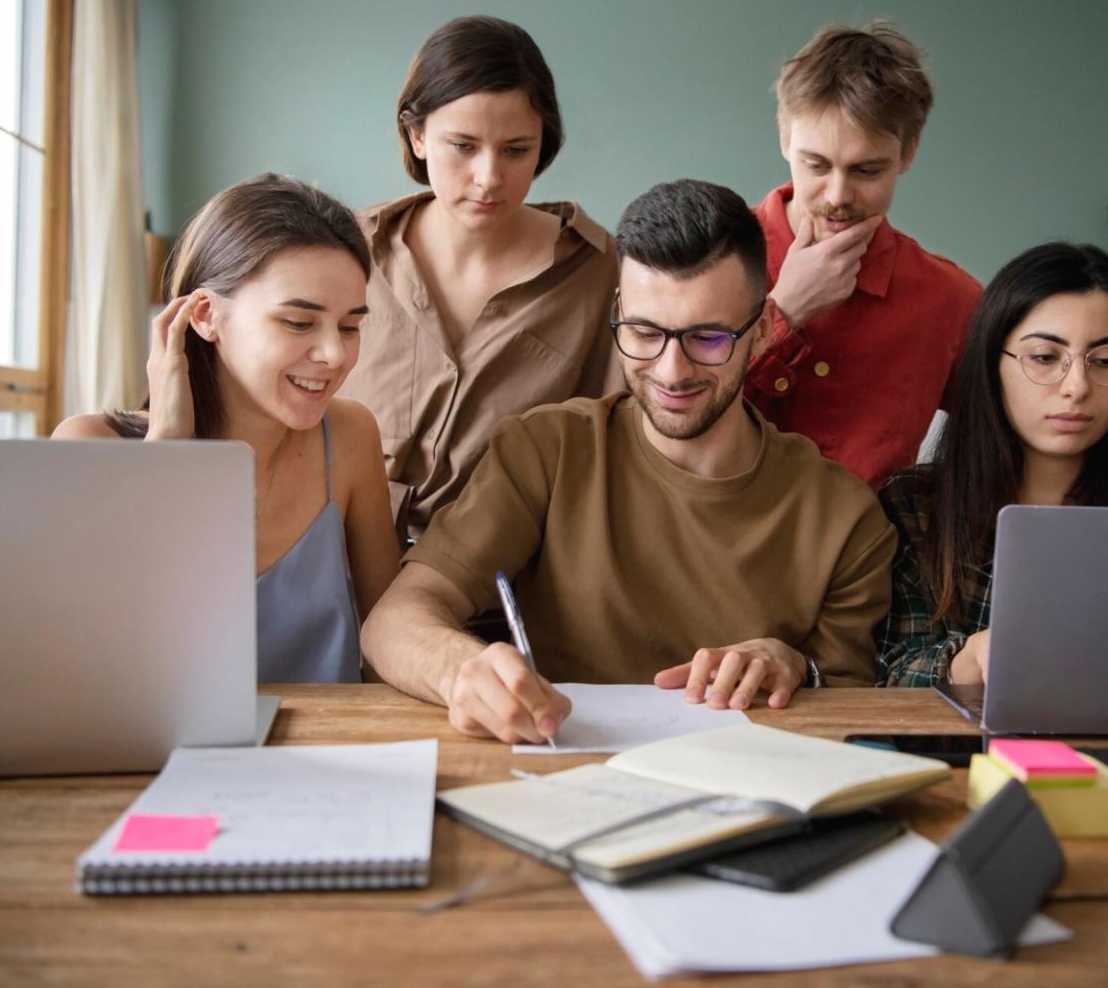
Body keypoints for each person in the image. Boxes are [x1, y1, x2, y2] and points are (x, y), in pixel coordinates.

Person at [360, 179, 895, 743]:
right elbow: (392, 622)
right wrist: (460, 672)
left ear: (761, 329)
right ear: (618, 313)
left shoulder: (845, 519)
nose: (671, 371)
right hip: (557, 775)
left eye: (708, 338)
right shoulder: (546, 450)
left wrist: (795, 667)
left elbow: (850, 707)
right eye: (643, 332)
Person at [53, 174, 400, 684]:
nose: (334, 355)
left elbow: (391, 634)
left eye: (350, 326)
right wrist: (168, 451)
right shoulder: (89, 447)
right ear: (205, 316)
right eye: (299, 323)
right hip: (153, 759)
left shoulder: (349, 436)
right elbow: (85, 668)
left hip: (329, 750)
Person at [875, 241, 1108, 687]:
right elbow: (887, 676)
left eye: (1105, 360)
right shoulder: (913, 505)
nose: (1077, 386)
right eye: (1044, 357)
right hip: (968, 754)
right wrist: (971, 659)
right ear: (990, 363)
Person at [338, 16, 621, 545]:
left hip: (501, 586)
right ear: (416, 135)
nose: (489, 178)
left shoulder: (599, 271)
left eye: (516, 150)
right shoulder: (346, 250)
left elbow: (620, 452)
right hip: (332, 564)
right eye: (463, 146)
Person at [746, 22, 983, 489]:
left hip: (874, 558)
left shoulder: (951, 301)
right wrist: (784, 313)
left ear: (909, 152)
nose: (838, 195)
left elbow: (1005, 439)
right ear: (784, 140)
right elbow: (661, 431)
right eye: (816, 165)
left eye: (867, 170)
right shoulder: (707, 263)